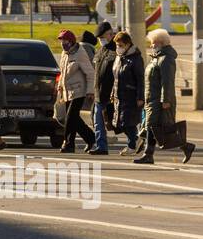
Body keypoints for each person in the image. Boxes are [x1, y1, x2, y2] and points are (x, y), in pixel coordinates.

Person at [137, 27, 195, 164]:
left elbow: (167, 81)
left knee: (153, 127)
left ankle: (148, 154)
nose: (152, 45)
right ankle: (186, 146)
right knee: (160, 129)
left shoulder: (166, 59)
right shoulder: (156, 58)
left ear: (162, 43)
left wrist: (166, 100)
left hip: (159, 100)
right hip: (151, 99)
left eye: (154, 43)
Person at [56, 29, 97, 153]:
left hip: (79, 91)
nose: (63, 43)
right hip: (67, 91)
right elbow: (63, 72)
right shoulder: (64, 53)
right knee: (75, 119)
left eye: (66, 40)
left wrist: (90, 91)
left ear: (72, 41)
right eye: (61, 40)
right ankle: (91, 138)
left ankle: (69, 144)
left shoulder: (80, 53)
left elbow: (90, 73)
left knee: (70, 118)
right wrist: (60, 85)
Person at [111, 31, 145, 155]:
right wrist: (112, 93)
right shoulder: (120, 58)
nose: (118, 48)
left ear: (128, 44)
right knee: (118, 122)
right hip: (118, 94)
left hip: (130, 95)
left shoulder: (135, 58)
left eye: (120, 45)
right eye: (117, 45)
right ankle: (135, 140)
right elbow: (116, 77)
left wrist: (140, 96)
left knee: (126, 122)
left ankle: (132, 144)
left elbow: (140, 79)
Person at [90, 22, 116, 155]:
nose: (101, 40)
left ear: (111, 34)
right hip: (98, 93)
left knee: (119, 123)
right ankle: (101, 146)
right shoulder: (100, 51)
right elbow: (97, 73)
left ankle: (133, 142)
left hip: (111, 93)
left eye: (103, 36)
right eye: (99, 37)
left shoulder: (116, 49)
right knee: (97, 120)